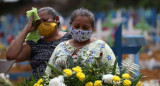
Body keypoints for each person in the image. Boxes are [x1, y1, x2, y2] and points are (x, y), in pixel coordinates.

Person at [45, 8, 119, 75]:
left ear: (92, 28)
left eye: (85, 27)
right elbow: (48, 74)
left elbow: (114, 73)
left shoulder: (101, 47)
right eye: (76, 26)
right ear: (70, 25)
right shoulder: (61, 47)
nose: (80, 30)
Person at [6, 7, 72, 79]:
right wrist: (26, 29)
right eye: (38, 23)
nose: (42, 24)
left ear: (57, 19)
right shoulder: (35, 44)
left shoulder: (70, 38)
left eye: (45, 20)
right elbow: (10, 55)